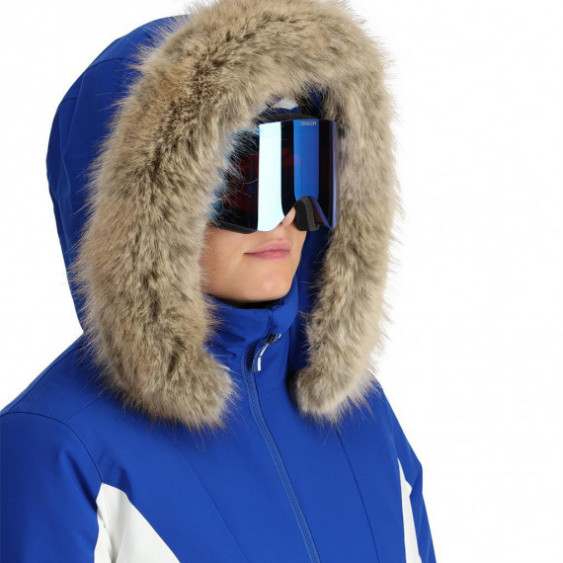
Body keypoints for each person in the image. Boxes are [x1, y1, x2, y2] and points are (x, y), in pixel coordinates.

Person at [0, 1, 437, 561]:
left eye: (307, 172)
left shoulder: (362, 416)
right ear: (149, 216)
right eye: (245, 178)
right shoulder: (57, 449)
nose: (289, 216)